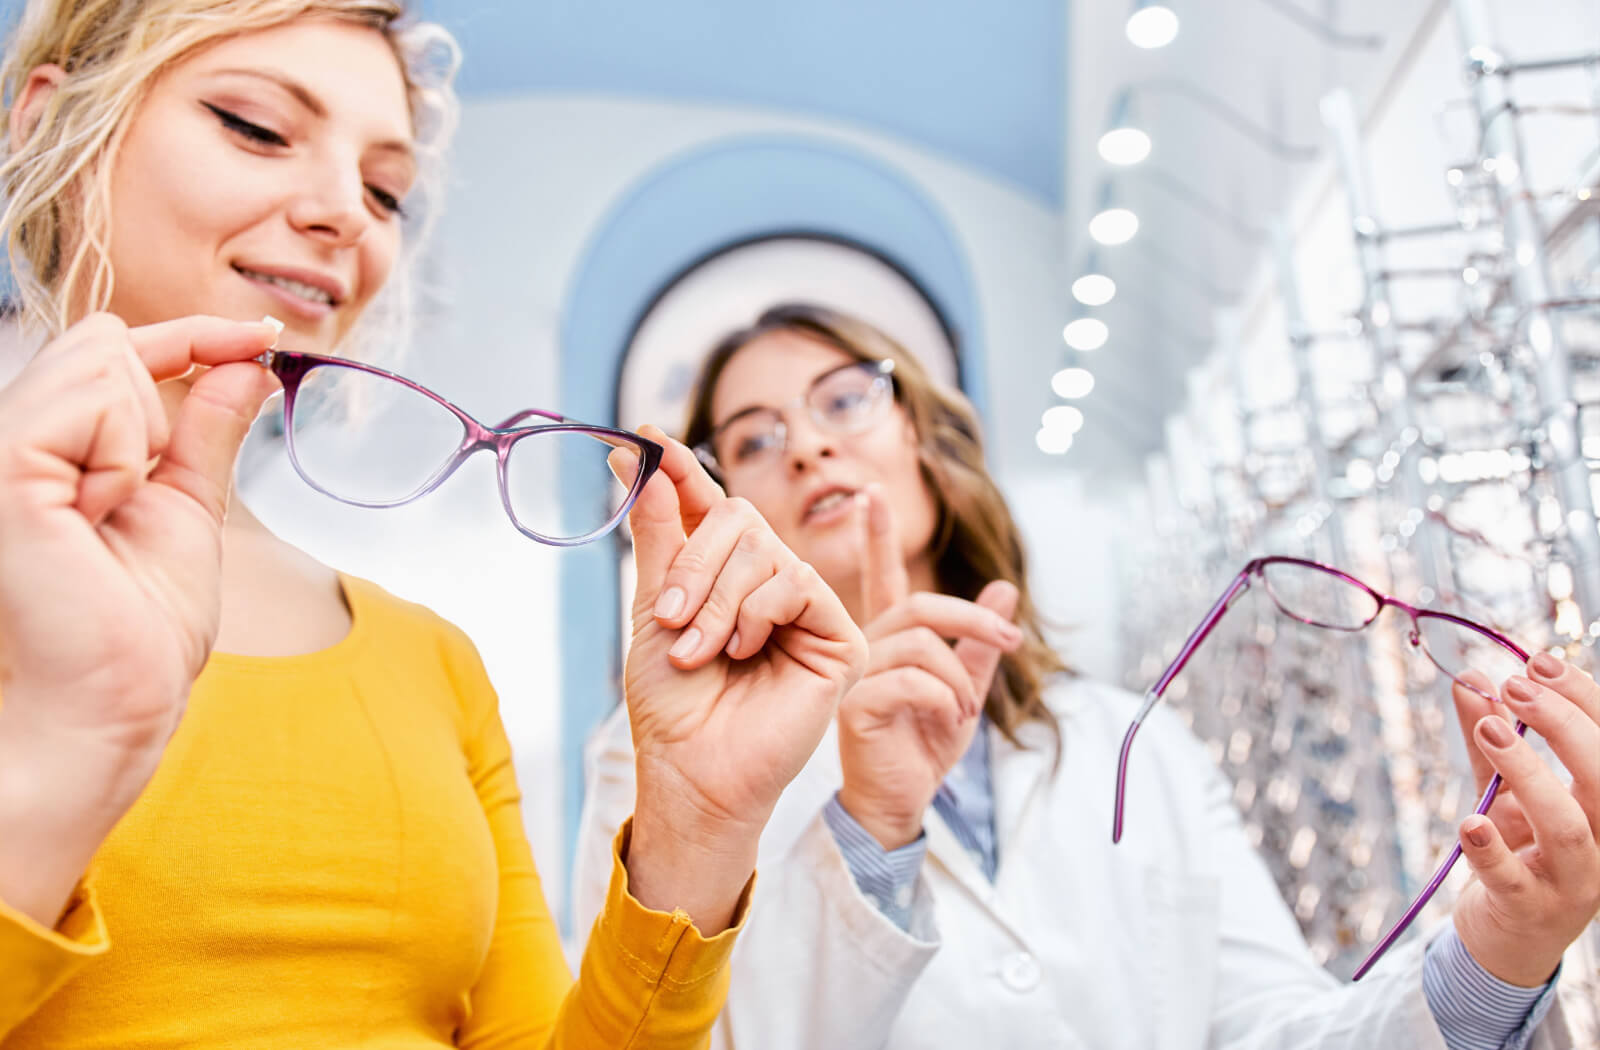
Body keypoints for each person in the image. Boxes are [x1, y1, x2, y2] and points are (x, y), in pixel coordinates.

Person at [0, 6, 868, 1047]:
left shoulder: (433, 664)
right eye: (256, 125)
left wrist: (698, 828)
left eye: (386, 192)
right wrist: (68, 748)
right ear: (47, 125)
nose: (347, 217)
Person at [575, 302, 1598, 1049]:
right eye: (754, 438)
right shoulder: (653, 759)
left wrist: (1500, 949)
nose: (806, 446)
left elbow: (1277, 1036)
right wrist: (872, 829)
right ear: (727, 502)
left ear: (928, 439)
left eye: (845, 397)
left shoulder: (1130, 743)